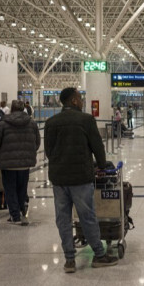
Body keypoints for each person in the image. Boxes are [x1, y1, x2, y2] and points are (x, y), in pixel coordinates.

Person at [44, 87, 117, 272]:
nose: (82, 101)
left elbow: (48, 152)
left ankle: (69, 260)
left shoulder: (51, 122)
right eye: (80, 98)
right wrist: (101, 165)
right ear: (74, 101)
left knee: (63, 219)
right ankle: (99, 255)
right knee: (87, 216)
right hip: (80, 178)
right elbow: (97, 146)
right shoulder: (86, 120)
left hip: (59, 179)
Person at [0, 100, 40, 226]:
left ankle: (15, 216)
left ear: (12, 109)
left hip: (8, 164)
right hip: (25, 164)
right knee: (22, 189)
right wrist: (29, 152)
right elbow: (37, 142)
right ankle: (21, 212)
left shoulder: (2, 124)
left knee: (10, 190)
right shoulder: (31, 123)